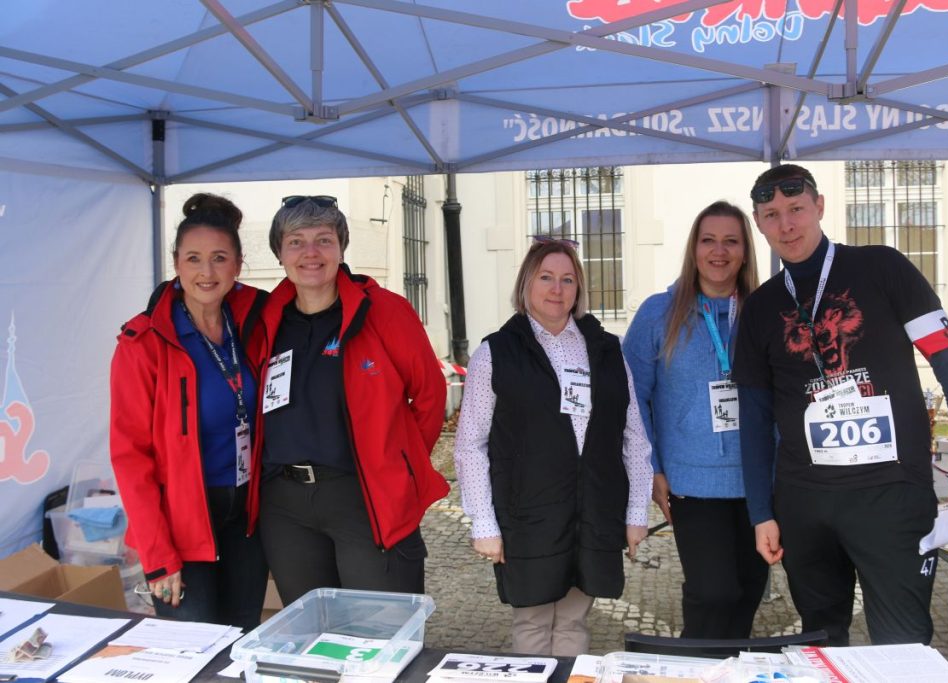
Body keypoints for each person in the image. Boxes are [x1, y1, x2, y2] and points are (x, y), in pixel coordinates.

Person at [734, 164, 948, 646]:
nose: (786, 225)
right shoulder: (760, 307)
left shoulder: (882, 267)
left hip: (890, 493)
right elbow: (753, 419)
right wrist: (760, 512)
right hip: (804, 500)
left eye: (796, 209)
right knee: (820, 642)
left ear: (819, 206)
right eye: (771, 215)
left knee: (903, 643)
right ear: (758, 223)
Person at [454, 236, 653, 656]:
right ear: (526, 283)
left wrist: (636, 513)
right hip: (528, 513)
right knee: (533, 622)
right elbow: (471, 444)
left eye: (567, 279)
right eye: (546, 277)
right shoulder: (496, 353)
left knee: (574, 621)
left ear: (578, 288)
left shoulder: (607, 349)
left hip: (594, 510)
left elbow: (634, 437)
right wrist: (483, 523)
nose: (557, 289)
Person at [249, 195, 448, 606]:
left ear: (341, 248)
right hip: (285, 506)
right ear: (279, 253)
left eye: (324, 240)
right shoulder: (266, 318)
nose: (310, 253)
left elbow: (430, 394)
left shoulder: (384, 311)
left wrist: (400, 467)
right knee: (311, 630)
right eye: (296, 241)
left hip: (363, 495)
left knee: (380, 627)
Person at [110, 193, 268, 629]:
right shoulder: (143, 344)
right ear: (176, 264)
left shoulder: (253, 322)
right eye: (193, 259)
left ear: (238, 265)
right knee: (194, 649)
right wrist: (158, 555)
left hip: (246, 520)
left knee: (244, 637)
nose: (206, 272)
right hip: (181, 527)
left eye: (219, 258)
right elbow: (130, 457)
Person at [623, 200, 766, 639]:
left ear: (745, 251)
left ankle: (732, 665)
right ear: (693, 248)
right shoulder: (658, 313)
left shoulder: (764, 311)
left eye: (731, 241)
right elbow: (632, 398)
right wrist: (651, 468)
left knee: (748, 591)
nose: (718, 251)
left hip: (759, 479)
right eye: (708, 240)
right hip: (691, 482)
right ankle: (693, 665)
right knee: (714, 593)